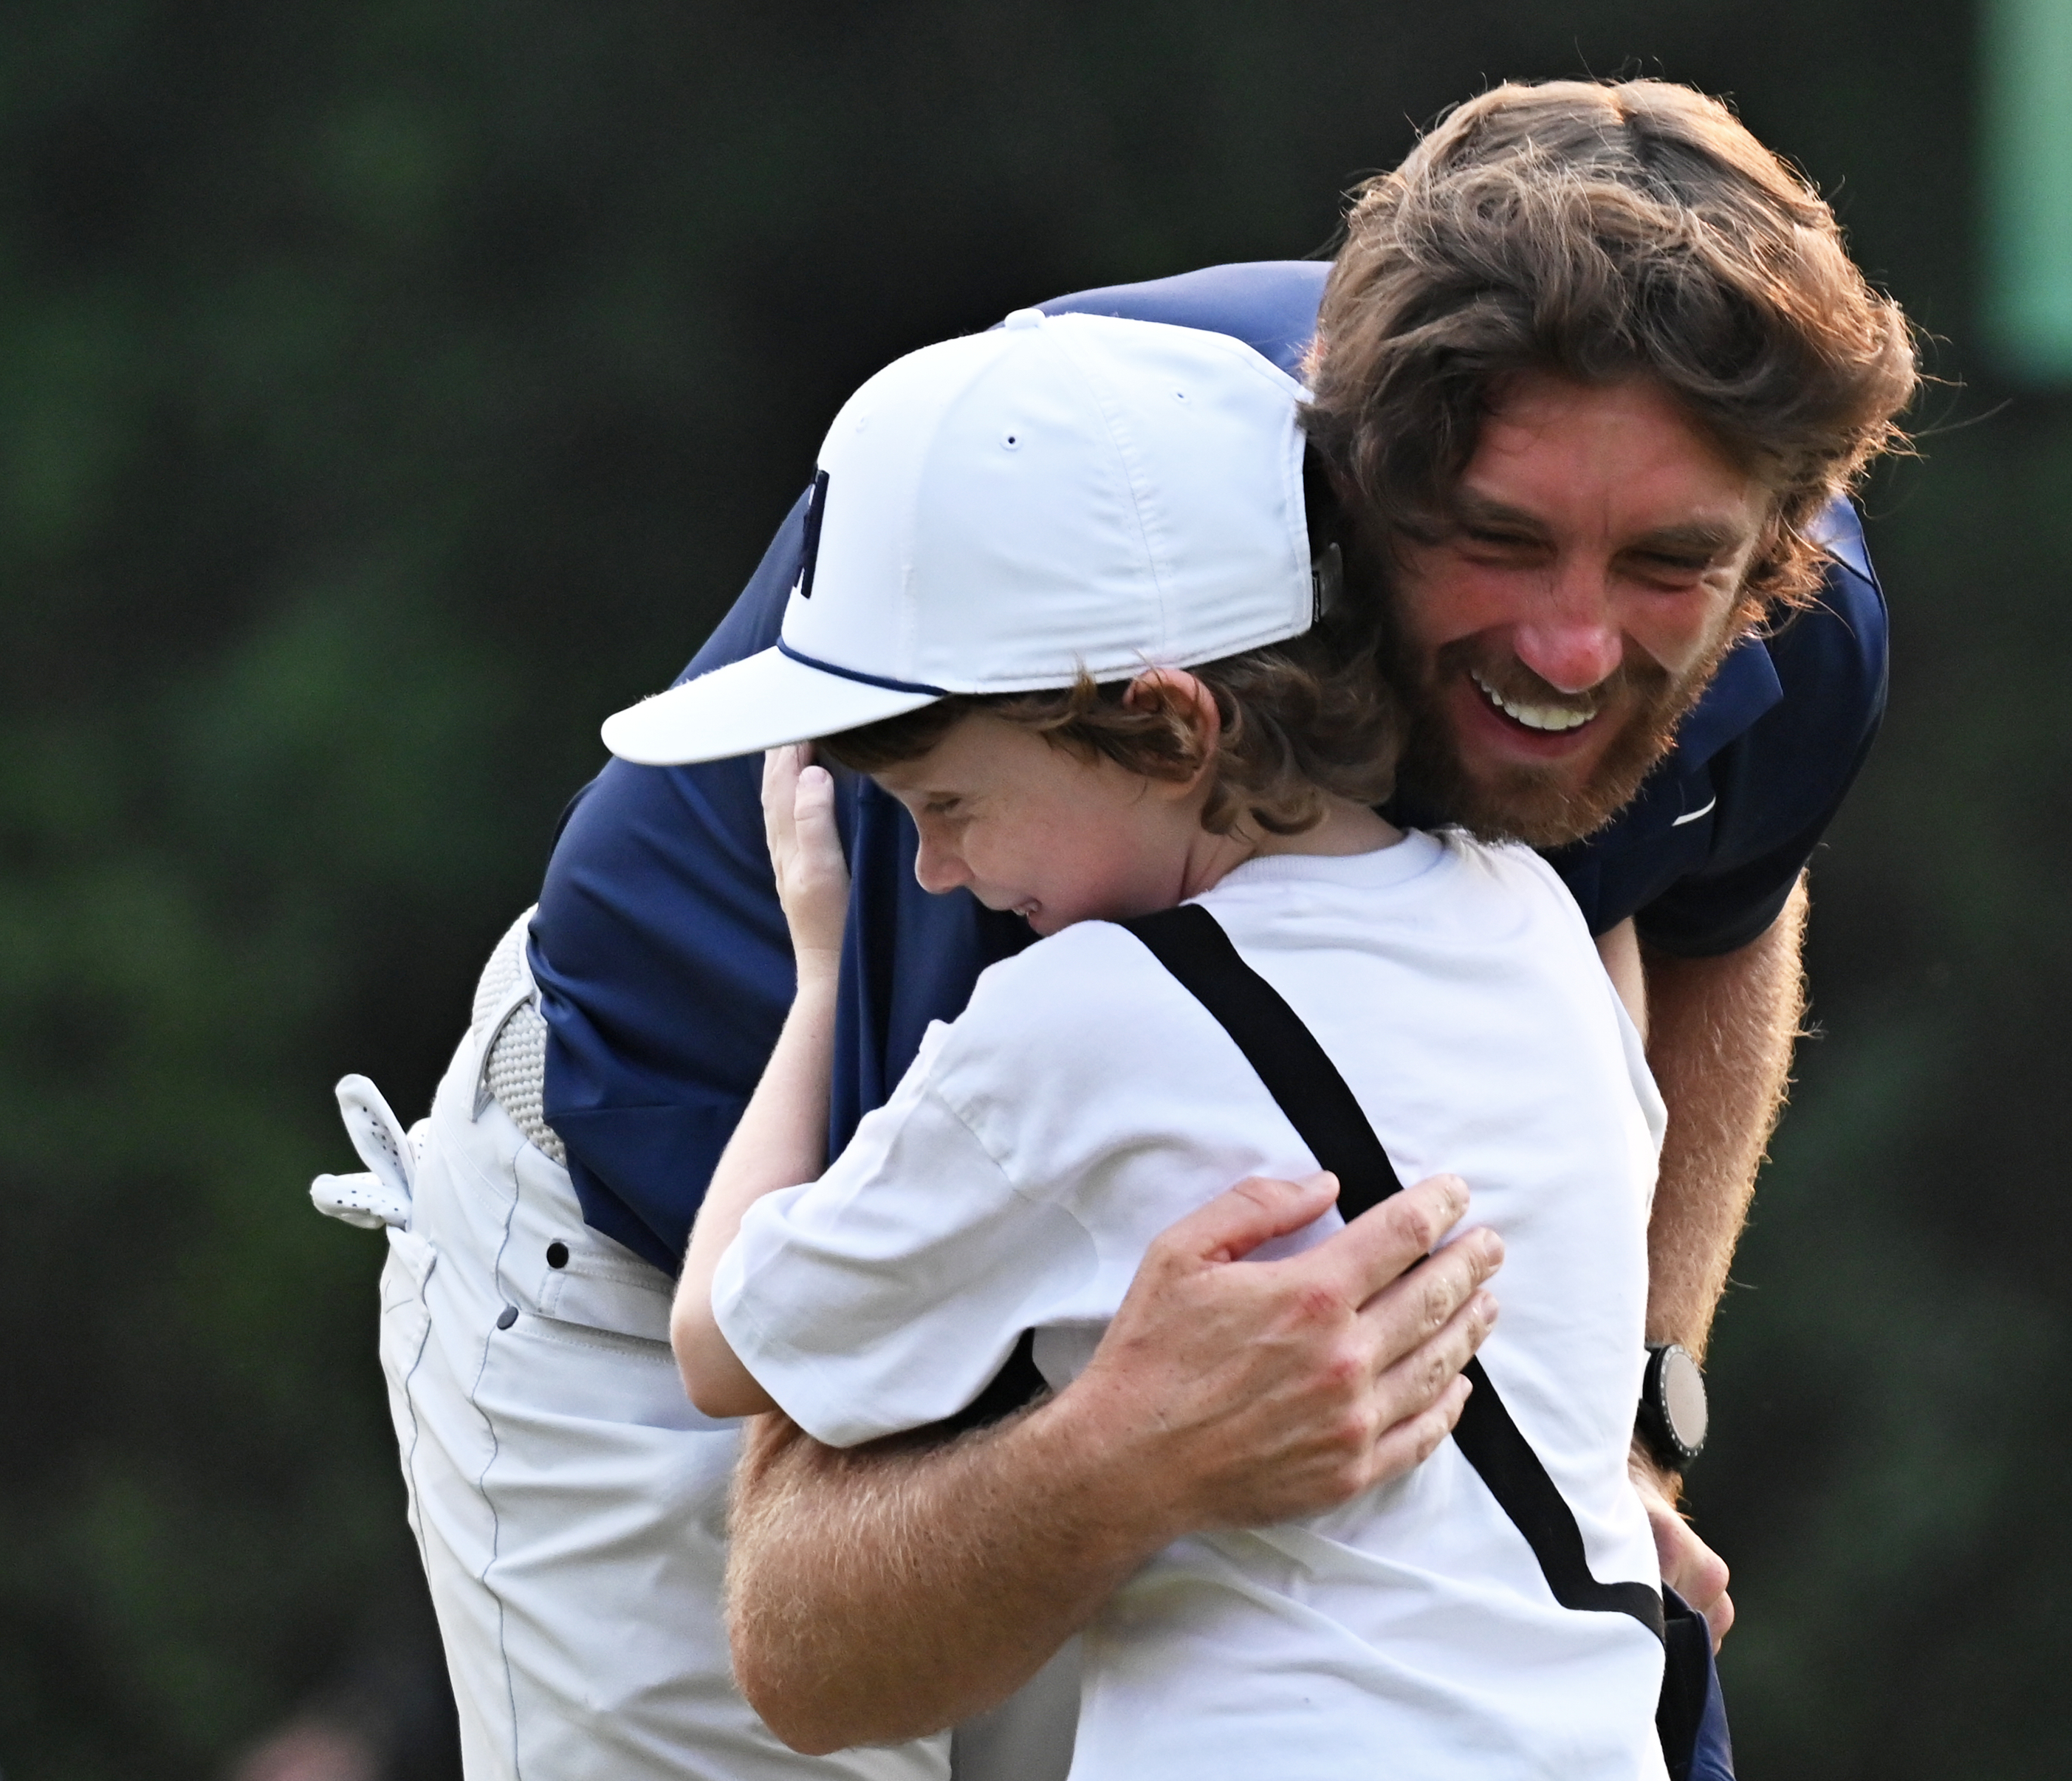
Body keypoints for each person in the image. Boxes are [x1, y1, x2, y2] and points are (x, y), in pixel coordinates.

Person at [311, 74, 1908, 1781]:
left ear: (1779, 545)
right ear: (1357, 500)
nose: (1577, 649)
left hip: (1179, 1322)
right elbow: (808, 1629)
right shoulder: (1052, 782)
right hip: (685, 1238)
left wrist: (1626, 1425)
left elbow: (1710, 912)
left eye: (1672, 564)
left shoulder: (1790, 624)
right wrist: (1130, 1452)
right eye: (1499, 540)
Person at [617, 304, 1676, 1778]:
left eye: (948, 806)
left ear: (1172, 731)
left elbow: (724, 1343)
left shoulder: (1083, 1022)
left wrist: (818, 982)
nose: (930, 874)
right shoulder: (1533, 923)